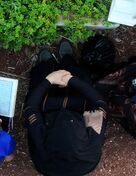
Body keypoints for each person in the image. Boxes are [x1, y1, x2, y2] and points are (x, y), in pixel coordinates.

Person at [25, 39, 107, 176]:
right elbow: (99, 103)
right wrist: (71, 80)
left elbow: (30, 108)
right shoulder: (90, 153)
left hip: (50, 114)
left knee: (38, 89)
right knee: (83, 84)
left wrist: (49, 80)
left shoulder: (43, 151)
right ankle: (68, 61)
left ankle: (46, 65)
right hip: (77, 112)